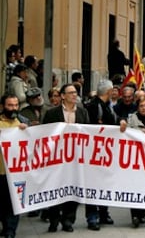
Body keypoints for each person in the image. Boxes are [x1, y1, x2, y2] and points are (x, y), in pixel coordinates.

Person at [42, 84, 90, 233]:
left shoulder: (83, 112)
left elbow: (88, 132)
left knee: (73, 189)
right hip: (57, 158)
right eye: (71, 93)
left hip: (76, 158)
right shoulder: (52, 113)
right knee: (55, 188)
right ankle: (54, 219)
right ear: (62, 96)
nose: (74, 95)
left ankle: (68, 220)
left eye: (75, 93)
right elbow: (44, 134)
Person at [120, 96, 145, 227]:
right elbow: (124, 133)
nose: (144, 108)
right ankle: (135, 215)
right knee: (135, 185)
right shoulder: (130, 119)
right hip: (135, 158)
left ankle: (142, 213)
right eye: (141, 106)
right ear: (138, 107)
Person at [83, 80, 116, 231]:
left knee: (104, 183)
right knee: (92, 184)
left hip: (105, 151)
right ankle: (92, 217)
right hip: (94, 151)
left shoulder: (106, 106)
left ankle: (103, 213)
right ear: (108, 92)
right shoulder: (93, 106)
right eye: (112, 91)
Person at [0, 93, 28, 238]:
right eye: (10, 105)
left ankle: (10, 230)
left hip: (16, 173)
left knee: (13, 204)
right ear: (2, 106)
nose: (13, 108)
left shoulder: (22, 122)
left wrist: (27, 131)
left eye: (16, 105)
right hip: (1, 171)